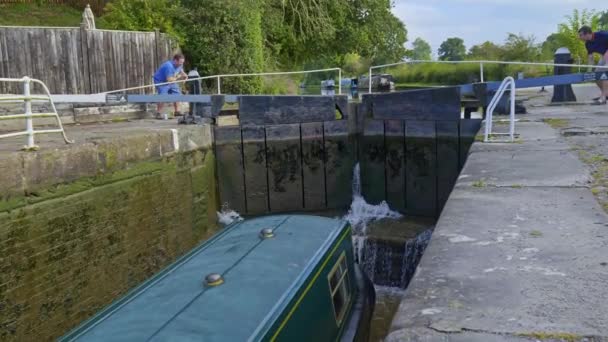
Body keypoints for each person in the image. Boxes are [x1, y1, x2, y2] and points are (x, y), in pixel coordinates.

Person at [578, 26, 608, 104]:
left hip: (606, 55)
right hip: (604, 56)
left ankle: (603, 98)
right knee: (596, 75)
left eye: (581, 35)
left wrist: (606, 56)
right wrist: (589, 71)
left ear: (587, 34)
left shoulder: (602, 35)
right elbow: (591, 58)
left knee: (604, 71)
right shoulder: (587, 44)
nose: (579, 37)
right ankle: (605, 94)